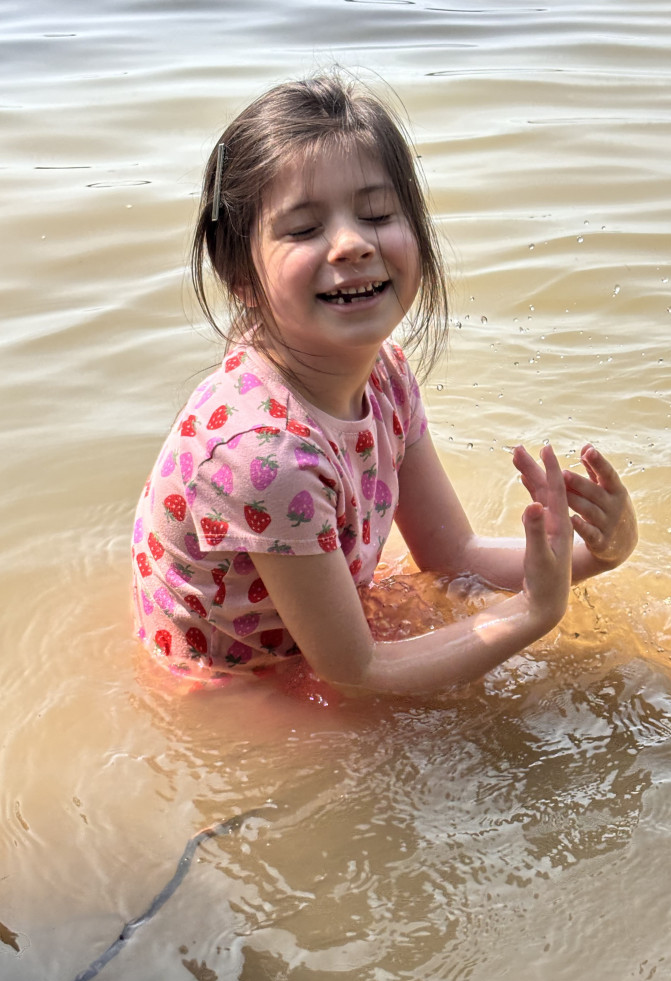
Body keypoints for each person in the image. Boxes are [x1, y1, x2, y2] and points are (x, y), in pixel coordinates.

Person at [131, 73, 637, 695]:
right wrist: (531, 613)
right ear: (241, 277)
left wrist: (600, 552)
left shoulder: (385, 374)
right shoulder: (264, 454)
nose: (351, 244)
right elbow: (358, 674)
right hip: (236, 689)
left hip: (320, 638)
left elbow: (453, 558)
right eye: (303, 228)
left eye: (375, 214)